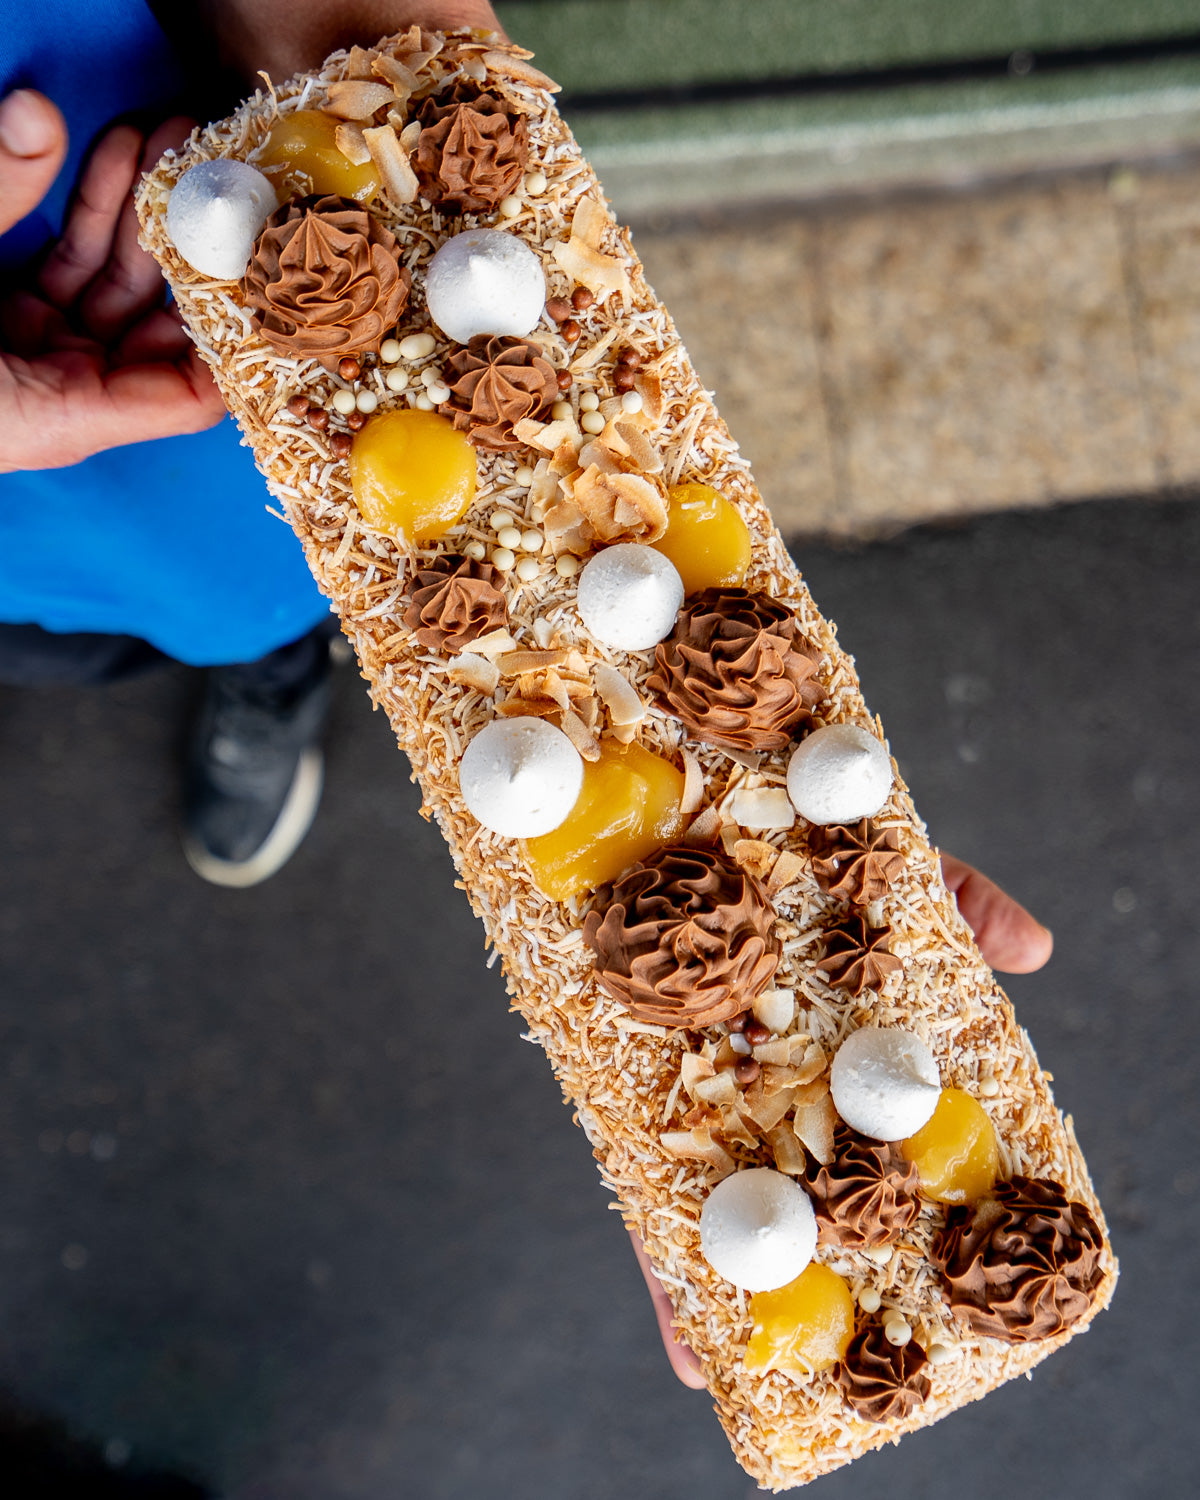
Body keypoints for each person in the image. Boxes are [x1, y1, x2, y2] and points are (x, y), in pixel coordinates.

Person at [1, 0, 1055, 1390]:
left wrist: (726, 1001)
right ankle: (246, 662)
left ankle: (268, 667)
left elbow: (381, 59)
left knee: (268, 585)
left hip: (180, 309)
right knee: (79, 618)